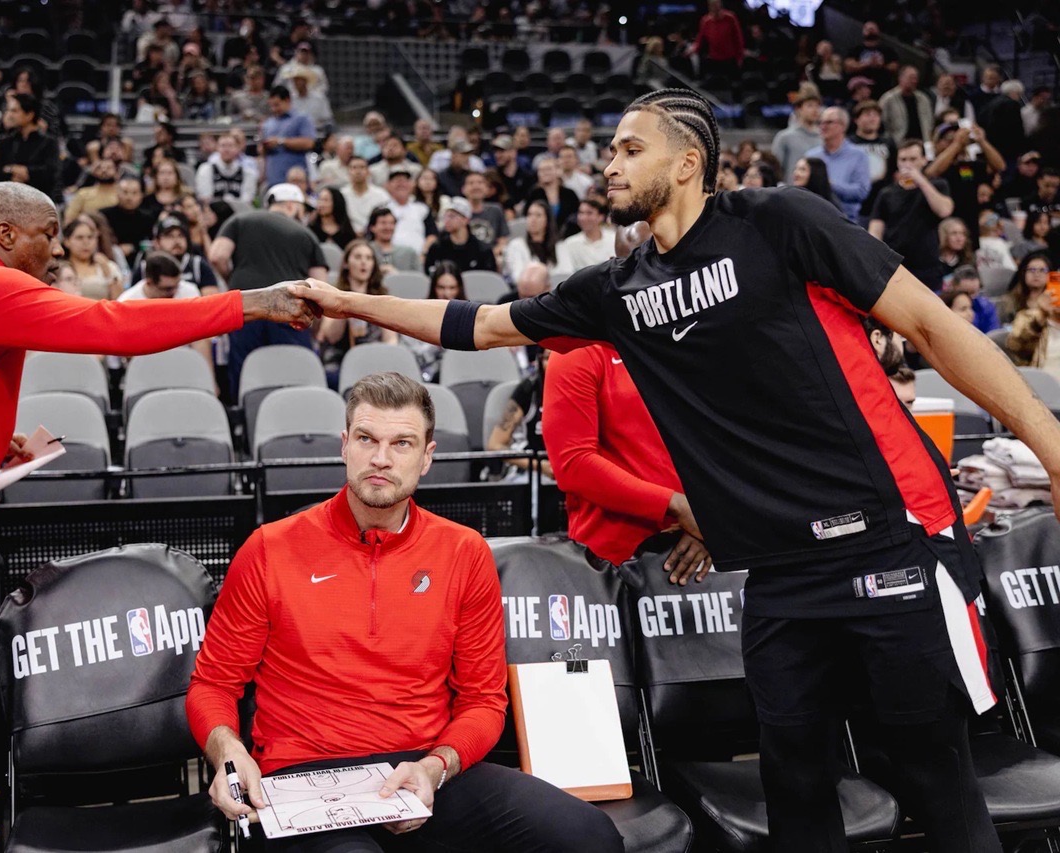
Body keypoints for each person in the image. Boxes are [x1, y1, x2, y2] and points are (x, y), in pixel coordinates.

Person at [302, 87, 1060, 853]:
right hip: (782, 572)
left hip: (889, 540)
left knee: (934, 773)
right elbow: (482, 324)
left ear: (689, 162)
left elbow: (931, 324)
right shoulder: (618, 289)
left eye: (631, 149)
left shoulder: (780, 221)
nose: (610, 163)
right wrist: (345, 300)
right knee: (794, 782)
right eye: (609, 151)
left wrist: (1049, 441)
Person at [0, 183, 315, 848]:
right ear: (9, 236)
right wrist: (254, 303)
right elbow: (115, 330)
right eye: (49, 232)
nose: (59, 248)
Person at [188, 372, 624, 852]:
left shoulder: (464, 552)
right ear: (344, 445)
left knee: (589, 836)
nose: (380, 458)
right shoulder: (270, 548)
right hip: (305, 775)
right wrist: (227, 751)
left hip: (421, 768)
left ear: (427, 457)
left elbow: (483, 701)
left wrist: (437, 766)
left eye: (402, 443)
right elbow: (214, 684)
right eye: (366, 439)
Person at [542, 342, 708, 581]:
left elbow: (725, 443)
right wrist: (678, 506)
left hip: (696, 552)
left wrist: (711, 522)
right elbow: (574, 464)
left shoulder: (688, 342)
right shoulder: (578, 351)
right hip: (611, 562)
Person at [210, 183, 329, 394]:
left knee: (245, 373)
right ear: (292, 206)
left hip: (246, 307)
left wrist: (234, 279)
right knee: (295, 376)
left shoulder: (239, 220)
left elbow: (217, 255)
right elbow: (321, 286)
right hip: (291, 312)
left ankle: (243, 421)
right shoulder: (306, 234)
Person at [868, 139, 954, 290]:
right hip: (896, 268)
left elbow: (944, 210)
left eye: (913, 159)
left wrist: (920, 180)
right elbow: (875, 231)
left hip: (927, 267)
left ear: (923, 160)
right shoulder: (886, 194)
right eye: (903, 159)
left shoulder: (937, 185)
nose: (907, 164)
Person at [316, 239, 399, 371]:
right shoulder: (334, 295)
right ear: (346, 263)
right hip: (340, 362)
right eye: (358, 257)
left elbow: (391, 340)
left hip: (374, 361)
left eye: (369, 258)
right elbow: (331, 336)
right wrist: (347, 305)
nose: (363, 262)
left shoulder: (381, 297)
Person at [486, 351, 549, 482]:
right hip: (530, 471)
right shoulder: (528, 390)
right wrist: (541, 466)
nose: (555, 363)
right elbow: (495, 445)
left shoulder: (582, 391)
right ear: (540, 360)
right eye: (548, 358)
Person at [805, 107, 872, 224]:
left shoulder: (858, 155)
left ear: (843, 126)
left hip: (847, 222)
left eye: (829, 122)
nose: (823, 126)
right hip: (814, 221)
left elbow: (861, 192)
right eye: (820, 122)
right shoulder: (811, 156)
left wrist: (830, 185)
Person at [0, 93, 57, 199]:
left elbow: (49, 174)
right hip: (6, 199)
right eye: (8, 110)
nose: (9, 115)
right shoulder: (5, 142)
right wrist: (15, 170)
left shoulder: (48, 142)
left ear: (29, 114)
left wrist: (20, 171)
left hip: (39, 201)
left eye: (14, 111)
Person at [131, 215, 216, 290]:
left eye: (181, 235)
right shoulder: (144, 268)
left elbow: (211, 300)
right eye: (169, 236)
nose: (177, 241)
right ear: (157, 242)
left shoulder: (198, 265)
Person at [260, 86, 316, 191]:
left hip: (296, 181)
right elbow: (263, 154)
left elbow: (309, 143)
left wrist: (281, 142)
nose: (274, 109)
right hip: (273, 180)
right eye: (271, 106)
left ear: (287, 100)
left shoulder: (301, 119)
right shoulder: (267, 124)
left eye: (277, 105)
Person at [424, 197, 497, 275]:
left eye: (452, 216)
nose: (447, 220)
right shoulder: (438, 247)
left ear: (465, 220)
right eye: (446, 216)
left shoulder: (482, 250)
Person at [849, 100, 897, 218]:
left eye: (876, 115)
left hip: (883, 200)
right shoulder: (849, 143)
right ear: (856, 119)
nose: (872, 118)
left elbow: (895, 171)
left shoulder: (888, 143)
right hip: (857, 201)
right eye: (867, 114)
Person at [505, 200, 571, 283]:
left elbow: (567, 273)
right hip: (529, 293)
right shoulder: (517, 245)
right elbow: (518, 277)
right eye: (529, 215)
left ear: (547, 220)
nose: (533, 219)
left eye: (538, 215)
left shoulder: (559, 246)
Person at [62, 217, 124, 300]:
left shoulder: (108, 266)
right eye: (79, 238)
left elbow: (120, 300)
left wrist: (108, 272)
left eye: (90, 237)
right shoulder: (60, 268)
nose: (86, 242)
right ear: (67, 241)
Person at [99, 176, 157, 266]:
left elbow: (150, 242)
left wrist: (133, 247)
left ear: (141, 195)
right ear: (117, 193)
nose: (129, 197)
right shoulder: (103, 216)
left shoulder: (148, 218)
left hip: (140, 261)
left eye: (134, 193)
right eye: (125, 192)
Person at [195, 131, 259, 207]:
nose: (226, 149)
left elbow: (247, 201)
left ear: (238, 148)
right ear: (217, 148)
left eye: (230, 146)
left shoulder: (248, 172)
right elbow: (205, 199)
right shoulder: (206, 169)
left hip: (239, 214)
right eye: (223, 146)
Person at [772, 92, 822, 185]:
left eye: (817, 106)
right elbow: (775, 170)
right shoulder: (784, 137)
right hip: (791, 192)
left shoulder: (823, 138)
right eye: (810, 106)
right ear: (798, 109)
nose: (815, 110)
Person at [686, 0, 744, 78]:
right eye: (712, 5)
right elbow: (700, 39)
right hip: (714, 59)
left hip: (730, 59)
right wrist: (693, 49)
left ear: (720, 4)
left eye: (716, 4)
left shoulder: (730, 18)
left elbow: (738, 38)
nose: (715, 7)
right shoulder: (706, 21)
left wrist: (740, 57)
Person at [878, 66, 934, 144]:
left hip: (922, 142)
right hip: (898, 142)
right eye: (911, 78)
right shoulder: (888, 99)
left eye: (915, 78)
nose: (914, 81)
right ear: (901, 78)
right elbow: (882, 123)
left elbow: (930, 121)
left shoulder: (923, 99)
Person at [385, 170, 436, 255]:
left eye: (405, 181)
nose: (401, 184)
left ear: (412, 185)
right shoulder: (382, 209)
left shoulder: (422, 208)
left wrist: (424, 253)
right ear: (388, 185)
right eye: (397, 181)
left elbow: (432, 235)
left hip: (418, 257)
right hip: (390, 256)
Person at [558, 197, 616, 270]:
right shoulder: (570, 243)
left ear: (601, 217)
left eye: (589, 213)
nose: (583, 218)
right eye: (581, 213)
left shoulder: (614, 239)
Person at [526, 158, 580, 235]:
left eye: (548, 169)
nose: (545, 173)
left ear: (558, 171)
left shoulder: (570, 194)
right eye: (541, 170)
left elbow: (576, 217)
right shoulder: (534, 194)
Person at [343, 156, 392, 235]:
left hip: (375, 236)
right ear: (348, 172)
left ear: (368, 171)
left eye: (362, 167)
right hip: (348, 235)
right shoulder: (342, 195)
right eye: (354, 168)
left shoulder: (381, 194)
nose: (358, 171)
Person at [844, 20, 898, 92]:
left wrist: (881, 65)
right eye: (868, 29)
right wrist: (867, 64)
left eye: (872, 29)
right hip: (860, 86)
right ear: (863, 32)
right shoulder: (856, 49)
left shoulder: (887, 50)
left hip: (882, 86)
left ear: (878, 31)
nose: (870, 31)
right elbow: (848, 65)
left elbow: (894, 66)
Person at [1001, 250, 1053, 324]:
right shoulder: (1010, 301)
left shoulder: (1054, 302)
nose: (1037, 274)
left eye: (1042, 270)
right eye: (1032, 270)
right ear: (1024, 273)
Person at [463, 171, 508, 255]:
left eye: (480, 182)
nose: (476, 186)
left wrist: (493, 254)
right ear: (463, 189)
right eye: (471, 183)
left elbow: (503, 239)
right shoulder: (458, 212)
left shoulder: (496, 210)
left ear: (487, 188)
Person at [64, 158, 121, 223]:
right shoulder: (83, 193)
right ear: (94, 173)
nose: (104, 170)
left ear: (117, 173)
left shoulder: (123, 194)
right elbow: (69, 219)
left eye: (109, 168)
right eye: (100, 168)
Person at [366, 206, 421, 273]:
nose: (388, 227)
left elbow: (420, 278)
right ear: (372, 227)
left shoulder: (409, 252)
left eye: (391, 223)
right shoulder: (365, 250)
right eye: (383, 223)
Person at [492, 134, 535, 214]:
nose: (497, 155)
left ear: (513, 152)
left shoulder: (527, 177)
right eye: (496, 152)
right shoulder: (493, 177)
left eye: (501, 151)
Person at [287, 67, 333, 133]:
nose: (296, 83)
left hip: (317, 131)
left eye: (298, 80)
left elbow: (327, 119)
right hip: (295, 133)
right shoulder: (289, 100)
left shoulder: (319, 98)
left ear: (305, 81)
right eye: (294, 80)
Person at [310, 186, 356, 250]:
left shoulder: (346, 233)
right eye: (320, 199)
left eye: (326, 200)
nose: (321, 204)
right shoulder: (312, 230)